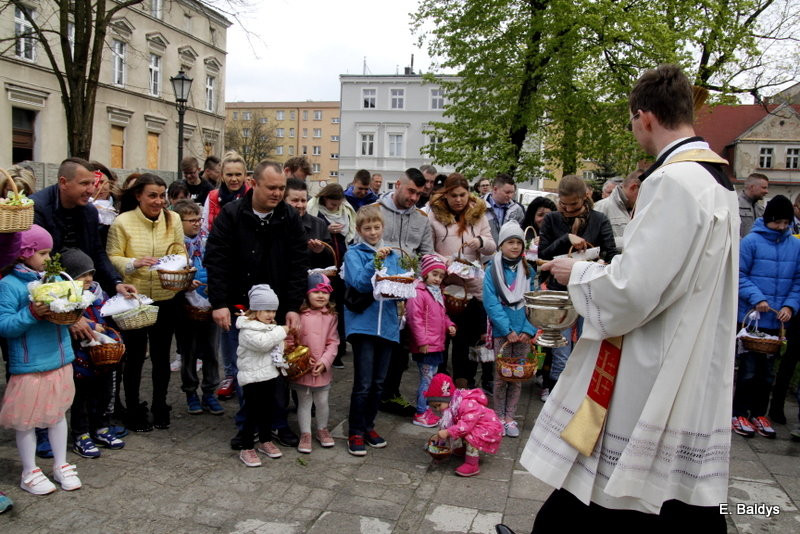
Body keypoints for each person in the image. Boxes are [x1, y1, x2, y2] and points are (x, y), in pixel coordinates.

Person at [521, 64, 738, 531]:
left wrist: (576, 272)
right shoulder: (718, 183)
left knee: (619, 487)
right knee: (675, 491)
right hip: (693, 351)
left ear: (644, 118)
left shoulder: (670, 182)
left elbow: (632, 292)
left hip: (653, 358)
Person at [205, 159, 308, 450]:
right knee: (247, 371)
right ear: (255, 183)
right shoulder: (232, 214)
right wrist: (219, 303)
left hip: (275, 309)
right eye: (271, 187)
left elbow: (298, 264)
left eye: (281, 188)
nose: (277, 193)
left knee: (278, 370)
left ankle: (276, 423)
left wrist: (291, 306)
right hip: (240, 306)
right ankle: (246, 427)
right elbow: (217, 260)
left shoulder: (289, 217)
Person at [0, 225, 82, 494]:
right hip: (29, 364)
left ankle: (61, 463)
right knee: (27, 420)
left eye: (50, 253)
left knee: (57, 415)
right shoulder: (9, 285)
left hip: (59, 358)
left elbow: (66, 311)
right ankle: (29, 470)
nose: (48, 258)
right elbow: (5, 326)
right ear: (24, 253)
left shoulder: (55, 278)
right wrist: (32, 313)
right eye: (43, 253)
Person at [106, 174, 184, 432]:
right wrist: (133, 263)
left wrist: (175, 264)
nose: (158, 201)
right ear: (138, 195)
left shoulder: (173, 219)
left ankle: (160, 406)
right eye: (152, 195)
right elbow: (112, 256)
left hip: (166, 297)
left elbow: (180, 250)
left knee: (162, 358)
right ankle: (133, 409)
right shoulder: (122, 222)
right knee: (135, 357)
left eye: (162, 195)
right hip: (135, 300)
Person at [31, 157, 136, 325]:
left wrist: (116, 282)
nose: (91, 190)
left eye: (92, 183)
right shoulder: (38, 208)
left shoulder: (89, 211)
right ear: (64, 182)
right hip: (47, 300)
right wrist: (67, 309)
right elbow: (36, 265)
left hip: (82, 291)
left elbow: (97, 251)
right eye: (84, 184)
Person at [538, 175, 617, 396]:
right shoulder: (552, 219)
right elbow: (543, 254)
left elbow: (611, 254)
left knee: (586, 341)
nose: (568, 209)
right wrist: (566, 238)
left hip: (590, 291)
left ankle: (579, 390)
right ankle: (554, 387)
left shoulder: (599, 219)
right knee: (560, 344)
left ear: (586, 197)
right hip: (560, 290)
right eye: (564, 204)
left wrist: (599, 261)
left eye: (574, 204)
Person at [733, 195, 800, 439]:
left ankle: (760, 413)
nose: (782, 227)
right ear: (768, 220)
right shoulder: (751, 242)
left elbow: (797, 280)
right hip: (753, 318)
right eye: (778, 222)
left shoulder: (795, 245)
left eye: (786, 223)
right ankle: (739, 412)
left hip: (777, 321)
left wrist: (791, 306)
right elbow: (739, 275)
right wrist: (757, 298)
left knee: (767, 372)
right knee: (749, 369)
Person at [343, 206, 404, 456]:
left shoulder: (394, 255)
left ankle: (369, 426)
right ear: (359, 230)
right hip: (363, 326)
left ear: (382, 227)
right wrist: (376, 260)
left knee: (379, 383)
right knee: (363, 383)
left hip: (388, 326)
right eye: (367, 228)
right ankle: (355, 430)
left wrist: (404, 283)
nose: (372, 232)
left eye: (376, 227)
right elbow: (358, 283)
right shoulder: (354, 254)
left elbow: (399, 286)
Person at [427, 174, 496, 391]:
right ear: (445, 195)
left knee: (466, 340)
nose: (458, 200)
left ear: (469, 194)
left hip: (472, 288)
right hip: (444, 285)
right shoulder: (433, 215)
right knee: (443, 337)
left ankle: (464, 383)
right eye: (453, 195)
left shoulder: (479, 214)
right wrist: (445, 261)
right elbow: (427, 250)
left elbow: (492, 246)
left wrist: (481, 242)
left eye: (462, 195)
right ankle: (440, 383)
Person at [376, 168, 435, 416]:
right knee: (378, 346)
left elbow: (426, 254)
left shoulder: (421, 219)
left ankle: (391, 394)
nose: (413, 198)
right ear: (398, 184)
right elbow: (362, 245)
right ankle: (373, 393)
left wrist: (418, 278)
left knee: (401, 350)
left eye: (419, 194)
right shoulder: (374, 211)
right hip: (379, 290)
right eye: (410, 191)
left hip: (408, 292)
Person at [60, 248, 126, 458]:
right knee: (81, 398)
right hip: (81, 359)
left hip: (104, 357)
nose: (88, 279)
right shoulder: (66, 301)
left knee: (105, 393)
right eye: (82, 275)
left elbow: (108, 315)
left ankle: (101, 427)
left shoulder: (100, 294)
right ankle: (81, 434)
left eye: (90, 274)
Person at [483, 221, 536, 438]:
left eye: (518, 243)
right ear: (501, 245)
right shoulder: (492, 270)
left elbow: (534, 301)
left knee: (518, 375)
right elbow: (491, 302)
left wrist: (528, 329)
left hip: (523, 331)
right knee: (501, 374)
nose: (515, 247)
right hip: (502, 332)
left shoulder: (528, 269)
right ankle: (497, 414)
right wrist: (506, 329)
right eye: (510, 242)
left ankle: (510, 417)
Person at [172, 200, 223, 417]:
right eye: (191, 220)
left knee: (211, 350)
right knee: (189, 351)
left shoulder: (207, 241)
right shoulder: (174, 245)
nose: (196, 224)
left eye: (198, 219)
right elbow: (170, 273)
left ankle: (210, 392)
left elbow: (219, 264)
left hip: (210, 302)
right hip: (186, 307)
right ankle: (191, 392)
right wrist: (184, 282)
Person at [235, 284, 289, 467]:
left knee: (267, 409)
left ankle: (266, 440)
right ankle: (247, 446)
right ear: (255, 310)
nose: (271, 315)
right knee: (252, 412)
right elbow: (263, 344)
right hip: (252, 378)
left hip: (269, 375)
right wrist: (282, 331)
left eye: (273, 311)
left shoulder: (270, 327)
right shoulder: (247, 329)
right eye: (266, 310)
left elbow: (276, 346)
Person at [405, 254, 456, 428]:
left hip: (435, 344)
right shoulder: (418, 293)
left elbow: (442, 315)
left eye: (441, 276)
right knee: (426, 379)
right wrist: (422, 341)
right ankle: (420, 412)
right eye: (434, 274)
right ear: (426, 273)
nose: (437, 279)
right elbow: (414, 318)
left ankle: (425, 409)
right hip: (426, 346)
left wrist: (449, 325)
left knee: (430, 378)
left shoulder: (436, 293)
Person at [292, 273, 340, 453]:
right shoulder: (298, 315)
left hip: (322, 369)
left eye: (325, 292)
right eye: (316, 292)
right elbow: (291, 340)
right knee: (304, 401)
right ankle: (306, 433)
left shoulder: (331, 316)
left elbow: (333, 342)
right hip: (303, 368)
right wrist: (302, 358)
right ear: (307, 294)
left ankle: (322, 428)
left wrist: (325, 361)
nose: (321, 296)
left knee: (322, 400)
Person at [425, 373, 503, 477]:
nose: (438, 409)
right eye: (435, 407)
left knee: (468, 433)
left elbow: (465, 427)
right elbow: (448, 425)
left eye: (438, 405)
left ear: (447, 398)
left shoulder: (466, 404)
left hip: (489, 428)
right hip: (478, 425)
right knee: (458, 426)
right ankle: (465, 449)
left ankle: (472, 464)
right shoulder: (453, 404)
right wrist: (440, 436)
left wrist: (447, 432)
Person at [769, 193, 800, 424]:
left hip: (793, 306)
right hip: (796, 314)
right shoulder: (796, 241)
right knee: (787, 362)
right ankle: (776, 408)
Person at [202, 151, 249, 235]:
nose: (234, 179)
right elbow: (204, 229)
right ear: (222, 176)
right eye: (229, 175)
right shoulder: (212, 197)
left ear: (245, 175)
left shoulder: (253, 197)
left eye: (238, 174)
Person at [593, 171, 642, 251]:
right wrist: (634, 241)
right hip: (609, 262)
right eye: (642, 193)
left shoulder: (639, 207)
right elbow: (593, 242)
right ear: (633, 187)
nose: (644, 197)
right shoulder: (601, 206)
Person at [482, 174, 525, 248]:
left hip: (507, 256)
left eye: (512, 192)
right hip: (484, 254)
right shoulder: (478, 206)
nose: (510, 196)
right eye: (507, 192)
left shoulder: (517, 210)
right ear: (495, 189)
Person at [738, 172, 769, 238]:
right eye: (764, 188)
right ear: (752, 187)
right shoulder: (735, 205)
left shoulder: (761, 209)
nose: (767, 191)